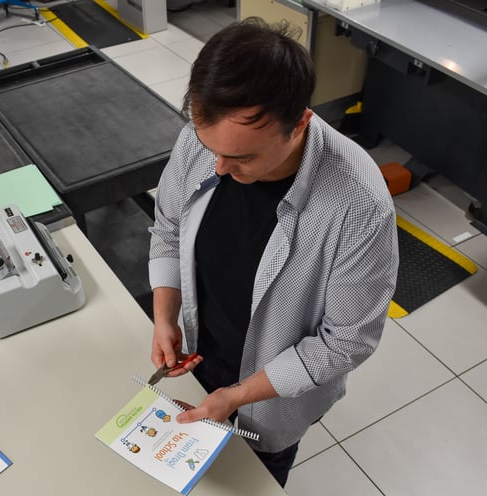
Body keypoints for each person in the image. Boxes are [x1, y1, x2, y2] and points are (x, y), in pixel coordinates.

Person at [148, 17, 398, 487]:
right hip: (203, 351)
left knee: (251, 477)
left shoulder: (358, 205)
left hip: (273, 391)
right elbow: (167, 226)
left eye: (242, 158)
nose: (219, 167)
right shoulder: (204, 143)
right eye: (210, 147)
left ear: (299, 122)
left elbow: (345, 341)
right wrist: (166, 315)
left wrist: (238, 395)